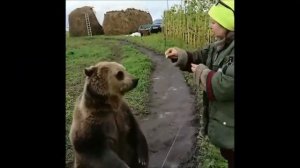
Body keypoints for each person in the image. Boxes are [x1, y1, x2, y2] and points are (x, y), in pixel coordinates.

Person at [164, 0, 234, 167]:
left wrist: (203, 73)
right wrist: (180, 55)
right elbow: (200, 57)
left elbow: (226, 85)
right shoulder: (220, 45)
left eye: (214, 22)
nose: (210, 26)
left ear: (227, 24)